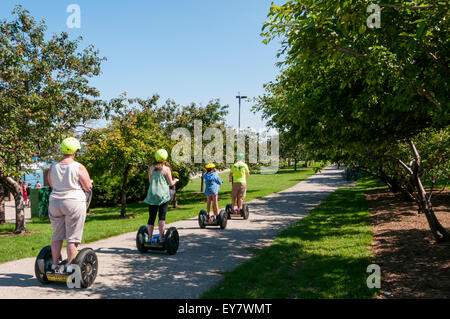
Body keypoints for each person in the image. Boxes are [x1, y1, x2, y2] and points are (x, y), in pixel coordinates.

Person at [47, 137, 92, 273]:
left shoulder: (53, 166)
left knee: (57, 235)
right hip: (73, 202)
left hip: (55, 202)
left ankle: (54, 265)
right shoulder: (78, 166)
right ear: (75, 152)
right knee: (72, 237)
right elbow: (87, 186)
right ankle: (70, 266)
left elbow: (51, 184)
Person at [144, 149, 178, 244]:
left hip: (152, 195)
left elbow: (150, 182)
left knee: (151, 217)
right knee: (161, 217)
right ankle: (162, 239)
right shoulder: (166, 169)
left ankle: (150, 239)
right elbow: (171, 183)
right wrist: (175, 180)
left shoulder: (151, 168)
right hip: (163, 195)